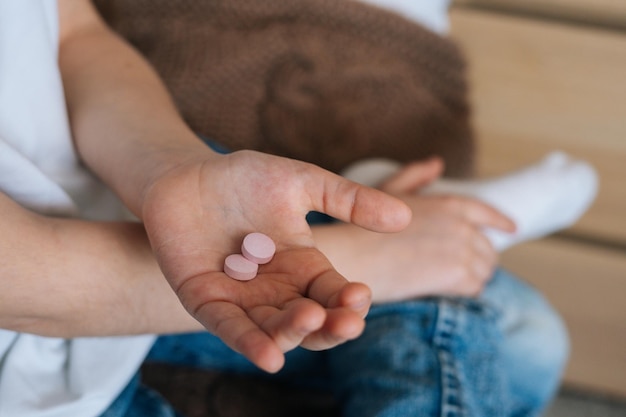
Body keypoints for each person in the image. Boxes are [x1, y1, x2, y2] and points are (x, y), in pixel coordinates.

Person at [0, 1, 571, 417]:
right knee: (514, 336)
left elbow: (72, 34)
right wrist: (367, 258)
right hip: (43, 330)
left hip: (99, 207)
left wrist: (173, 170)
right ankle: (417, 234)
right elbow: (25, 284)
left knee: (525, 330)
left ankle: (419, 236)